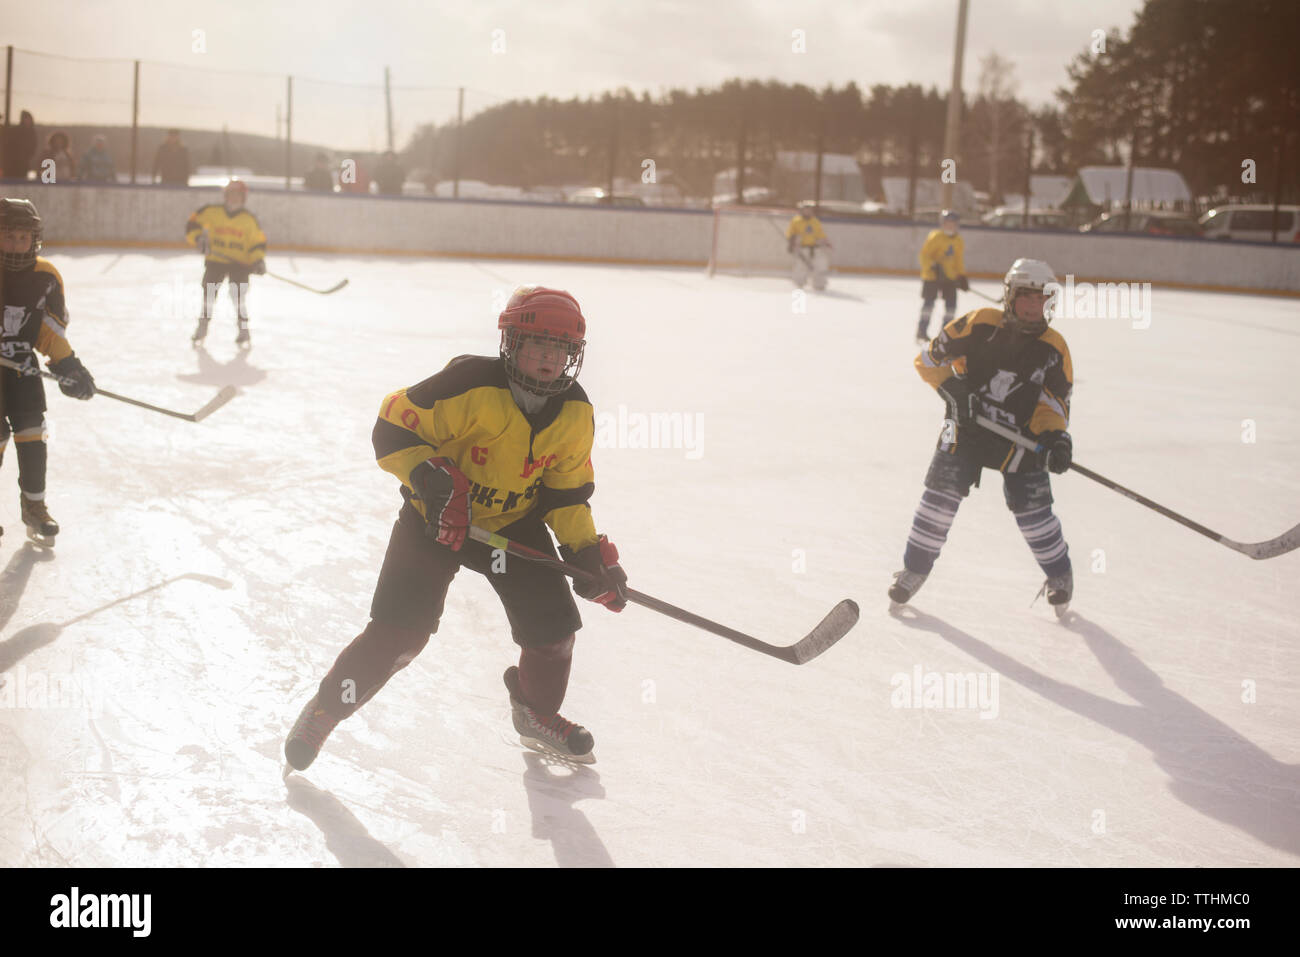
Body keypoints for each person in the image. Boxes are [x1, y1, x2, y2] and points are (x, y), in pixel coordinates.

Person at [284, 286, 627, 770]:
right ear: (511, 343)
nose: (550, 361)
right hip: (437, 522)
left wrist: (585, 553)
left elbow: (566, 494)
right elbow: (392, 426)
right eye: (538, 346)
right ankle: (325, 710)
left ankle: (536, 714)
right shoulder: (467, 383)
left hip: (512, 529)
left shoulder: (575, 413)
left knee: (554, 638)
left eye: (562, 350)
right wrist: (429, 476)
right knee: (400, 634)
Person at [889, 258, 1074, 615]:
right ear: (1009, 296)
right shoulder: (978, 324)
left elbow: (1054, 404)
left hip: (1022, 437)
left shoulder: (1054, 347)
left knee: (1034, 513)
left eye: (1041, 299)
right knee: (938, 500)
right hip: (964, 427)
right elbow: (927, 361)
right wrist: (955, 391)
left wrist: (1055, 439)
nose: (1034, 306)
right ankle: (913, 570)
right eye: (1026, 298)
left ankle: (1060, 574)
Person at [0, 198, 96, 545]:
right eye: (7, 236)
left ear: (34, 239)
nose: (15, 244)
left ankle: (34, 507)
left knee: (33, 432)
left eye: (22, 238)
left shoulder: (45, 276)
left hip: (22, 369)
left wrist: (69, 366)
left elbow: (48, 331)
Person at [184, 178, 267, 348]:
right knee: (209, 294)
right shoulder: (210, 212)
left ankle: (243, 329)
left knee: (238, 297)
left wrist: (258, 260)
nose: (234, 198)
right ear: (225, 195)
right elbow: (192, 224)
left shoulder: (249, 219)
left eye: (238, 194)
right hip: (216, 261)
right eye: (231, 194)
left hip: (240, 264)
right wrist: (198, 238)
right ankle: (203, 326)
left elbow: (257, 243)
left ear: (243, 197)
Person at [916, 209, 969, 342]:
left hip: (949, 278)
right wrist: (932, 266)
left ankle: (946, 334)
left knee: (951, 307)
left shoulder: (958, 240)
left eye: (953, 223)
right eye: (947, 223)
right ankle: (922, 331)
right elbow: (924, 255)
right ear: (943, 224)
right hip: (932, 277)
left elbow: (958, 260)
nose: (950, 226)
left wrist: (962, 276)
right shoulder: (935, 237)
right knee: (928, 305)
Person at [785, 201, 832, 290]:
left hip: (815, 248)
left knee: (819, 266)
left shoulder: (815, 221)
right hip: (802, 248)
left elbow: (820, 233)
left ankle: (819, 284)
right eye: (805, 210)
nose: (807, 212)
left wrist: (825, 242)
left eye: (809, 210)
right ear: (801, 211)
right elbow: (790, 233)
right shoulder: (796, 221)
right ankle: (799, 283)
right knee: (800, 267)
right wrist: (792, 242)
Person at [2, 111, 38, 180]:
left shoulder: (32, 132)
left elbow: (33, 147)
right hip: (11, 163)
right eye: (25, 119)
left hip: (23, 163)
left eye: (28, 119)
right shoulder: (15, 131)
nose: (27, 121)